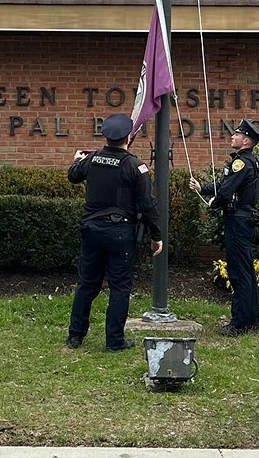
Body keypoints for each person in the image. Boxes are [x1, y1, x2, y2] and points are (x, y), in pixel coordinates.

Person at [66, 112, 163, 352]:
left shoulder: (93, 159)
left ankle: (75, 337)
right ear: (128, 137)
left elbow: (73, 176)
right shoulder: (135, 166)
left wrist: (76, 160)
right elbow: (147, 204)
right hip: (120, 232)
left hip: (92, 230)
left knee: (87, 284)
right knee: (120, 288)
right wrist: (157, 235)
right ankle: (114, 341)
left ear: (106, 137)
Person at [189, 118, 259, 335]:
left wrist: (215, 202)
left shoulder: (241, 163)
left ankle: (239, 323)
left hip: (238, 221)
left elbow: (225, 190)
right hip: (244, 220)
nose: (233, 136)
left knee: (238, 272)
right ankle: (251, 320)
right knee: (246, 270)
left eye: (238, 134)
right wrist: (202, 188)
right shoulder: (249, 161)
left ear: (247, 141)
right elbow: (224, 184)